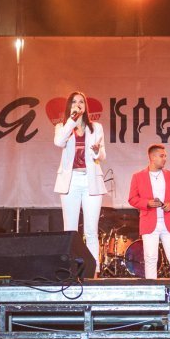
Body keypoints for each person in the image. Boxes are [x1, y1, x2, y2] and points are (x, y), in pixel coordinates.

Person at [53, 91, 106, 263]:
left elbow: (102, 155)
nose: (78, 104)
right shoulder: (62, 127)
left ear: (85, 106)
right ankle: (71, 267)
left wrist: (97, 151)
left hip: (91, 180)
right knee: (70, 229)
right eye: (74, 101)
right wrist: (72, 120)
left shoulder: (96, 127)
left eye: (81, 101)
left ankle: (93, 269)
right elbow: (58, 142)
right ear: (69, 106)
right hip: (71, 181)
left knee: (91, 230)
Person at [128, 144, 170, 279]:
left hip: (168, 221)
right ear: (152, 157)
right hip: (149, 221)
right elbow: (132, 198)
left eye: (165, 156)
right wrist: (147, 203)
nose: (165, 158)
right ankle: (151, 289)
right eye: (162, 156)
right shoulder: (138, 176)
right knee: (150, 258)